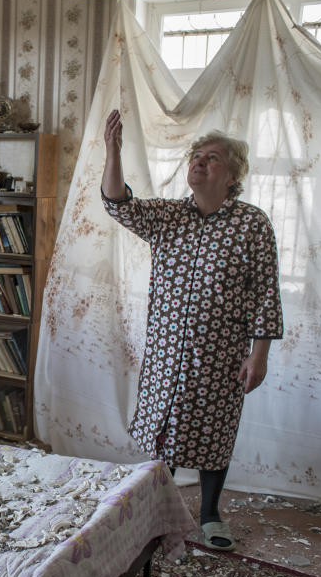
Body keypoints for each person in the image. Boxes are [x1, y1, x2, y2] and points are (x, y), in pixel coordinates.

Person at [100, 109, 283, 552]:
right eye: (195, 156)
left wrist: (258, 355)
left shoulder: (252, 224)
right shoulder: (169, 217)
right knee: (163, 431)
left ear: (233, 174)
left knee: (214, 433)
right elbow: (117, 203)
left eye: (212, 157)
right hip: (167, 351)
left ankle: (209, 514)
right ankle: (155, 509)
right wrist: (113, 149)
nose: (199, 162)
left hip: (220, 355)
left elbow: (265, 294)